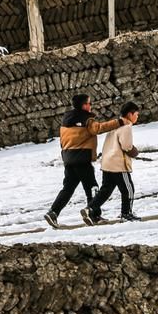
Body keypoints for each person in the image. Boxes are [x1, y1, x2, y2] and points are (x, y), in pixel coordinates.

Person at [44, 94, 126, 228]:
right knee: (92, 187)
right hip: (82, 159)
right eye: (89, 103)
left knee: (68, 188)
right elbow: (98, 129)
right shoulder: (87, 118)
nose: (90, 105)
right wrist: (119, 122)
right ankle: (94, 215)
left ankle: (53, 212)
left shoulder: (66, 119)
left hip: (69, 159)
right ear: (84, 105)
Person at [82, 101, 142, 225]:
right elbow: (126, 146)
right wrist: (135, 152)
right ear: (130, 114)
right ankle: (126, 214)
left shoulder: (115, 125)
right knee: (128, 189)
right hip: (118, 164)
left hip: (107, 163)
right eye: (136, 114)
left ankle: (90, 208)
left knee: (106, 190)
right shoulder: (126, 127)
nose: (137, 117)